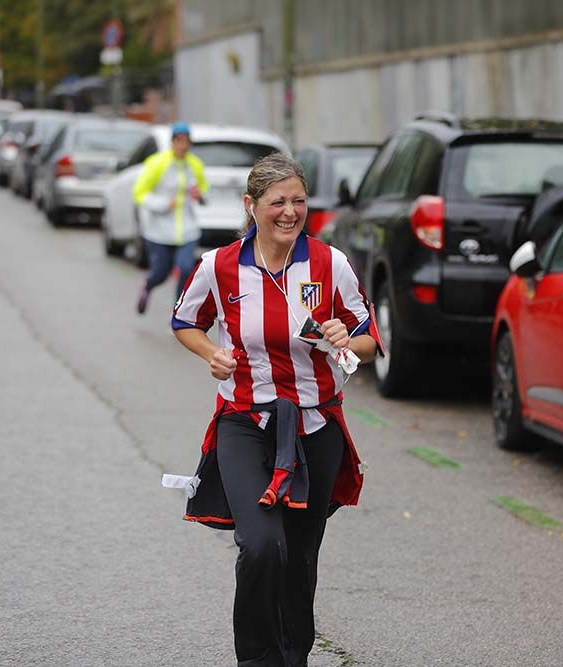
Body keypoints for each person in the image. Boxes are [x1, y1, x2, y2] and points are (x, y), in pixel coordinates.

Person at [171, 152, 382, 667]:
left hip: (315, 426)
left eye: (298, 202)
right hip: (245, 422)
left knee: (300, 557)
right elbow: (184, 320)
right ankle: (257, 660)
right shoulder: (219, 266)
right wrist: (211, 353)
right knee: (263, 547)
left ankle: (294, 658)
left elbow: (369, 337)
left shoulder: (329, 263)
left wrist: (346, 338)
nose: (289, 212)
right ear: (251, 206)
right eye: (277, 202)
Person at [131, 121, 209, 314]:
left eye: (186, 141)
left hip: (187, 229)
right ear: (172, 142)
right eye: (179, 141)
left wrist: (200, 196)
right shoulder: (157, 163)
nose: (183, 145)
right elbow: (140, 193)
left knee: (185, 269)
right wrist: (163, 204)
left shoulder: (195, 164)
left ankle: (178, 312)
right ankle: (147, 286)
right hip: (160, 231)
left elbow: (205, 192)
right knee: (160, 274)